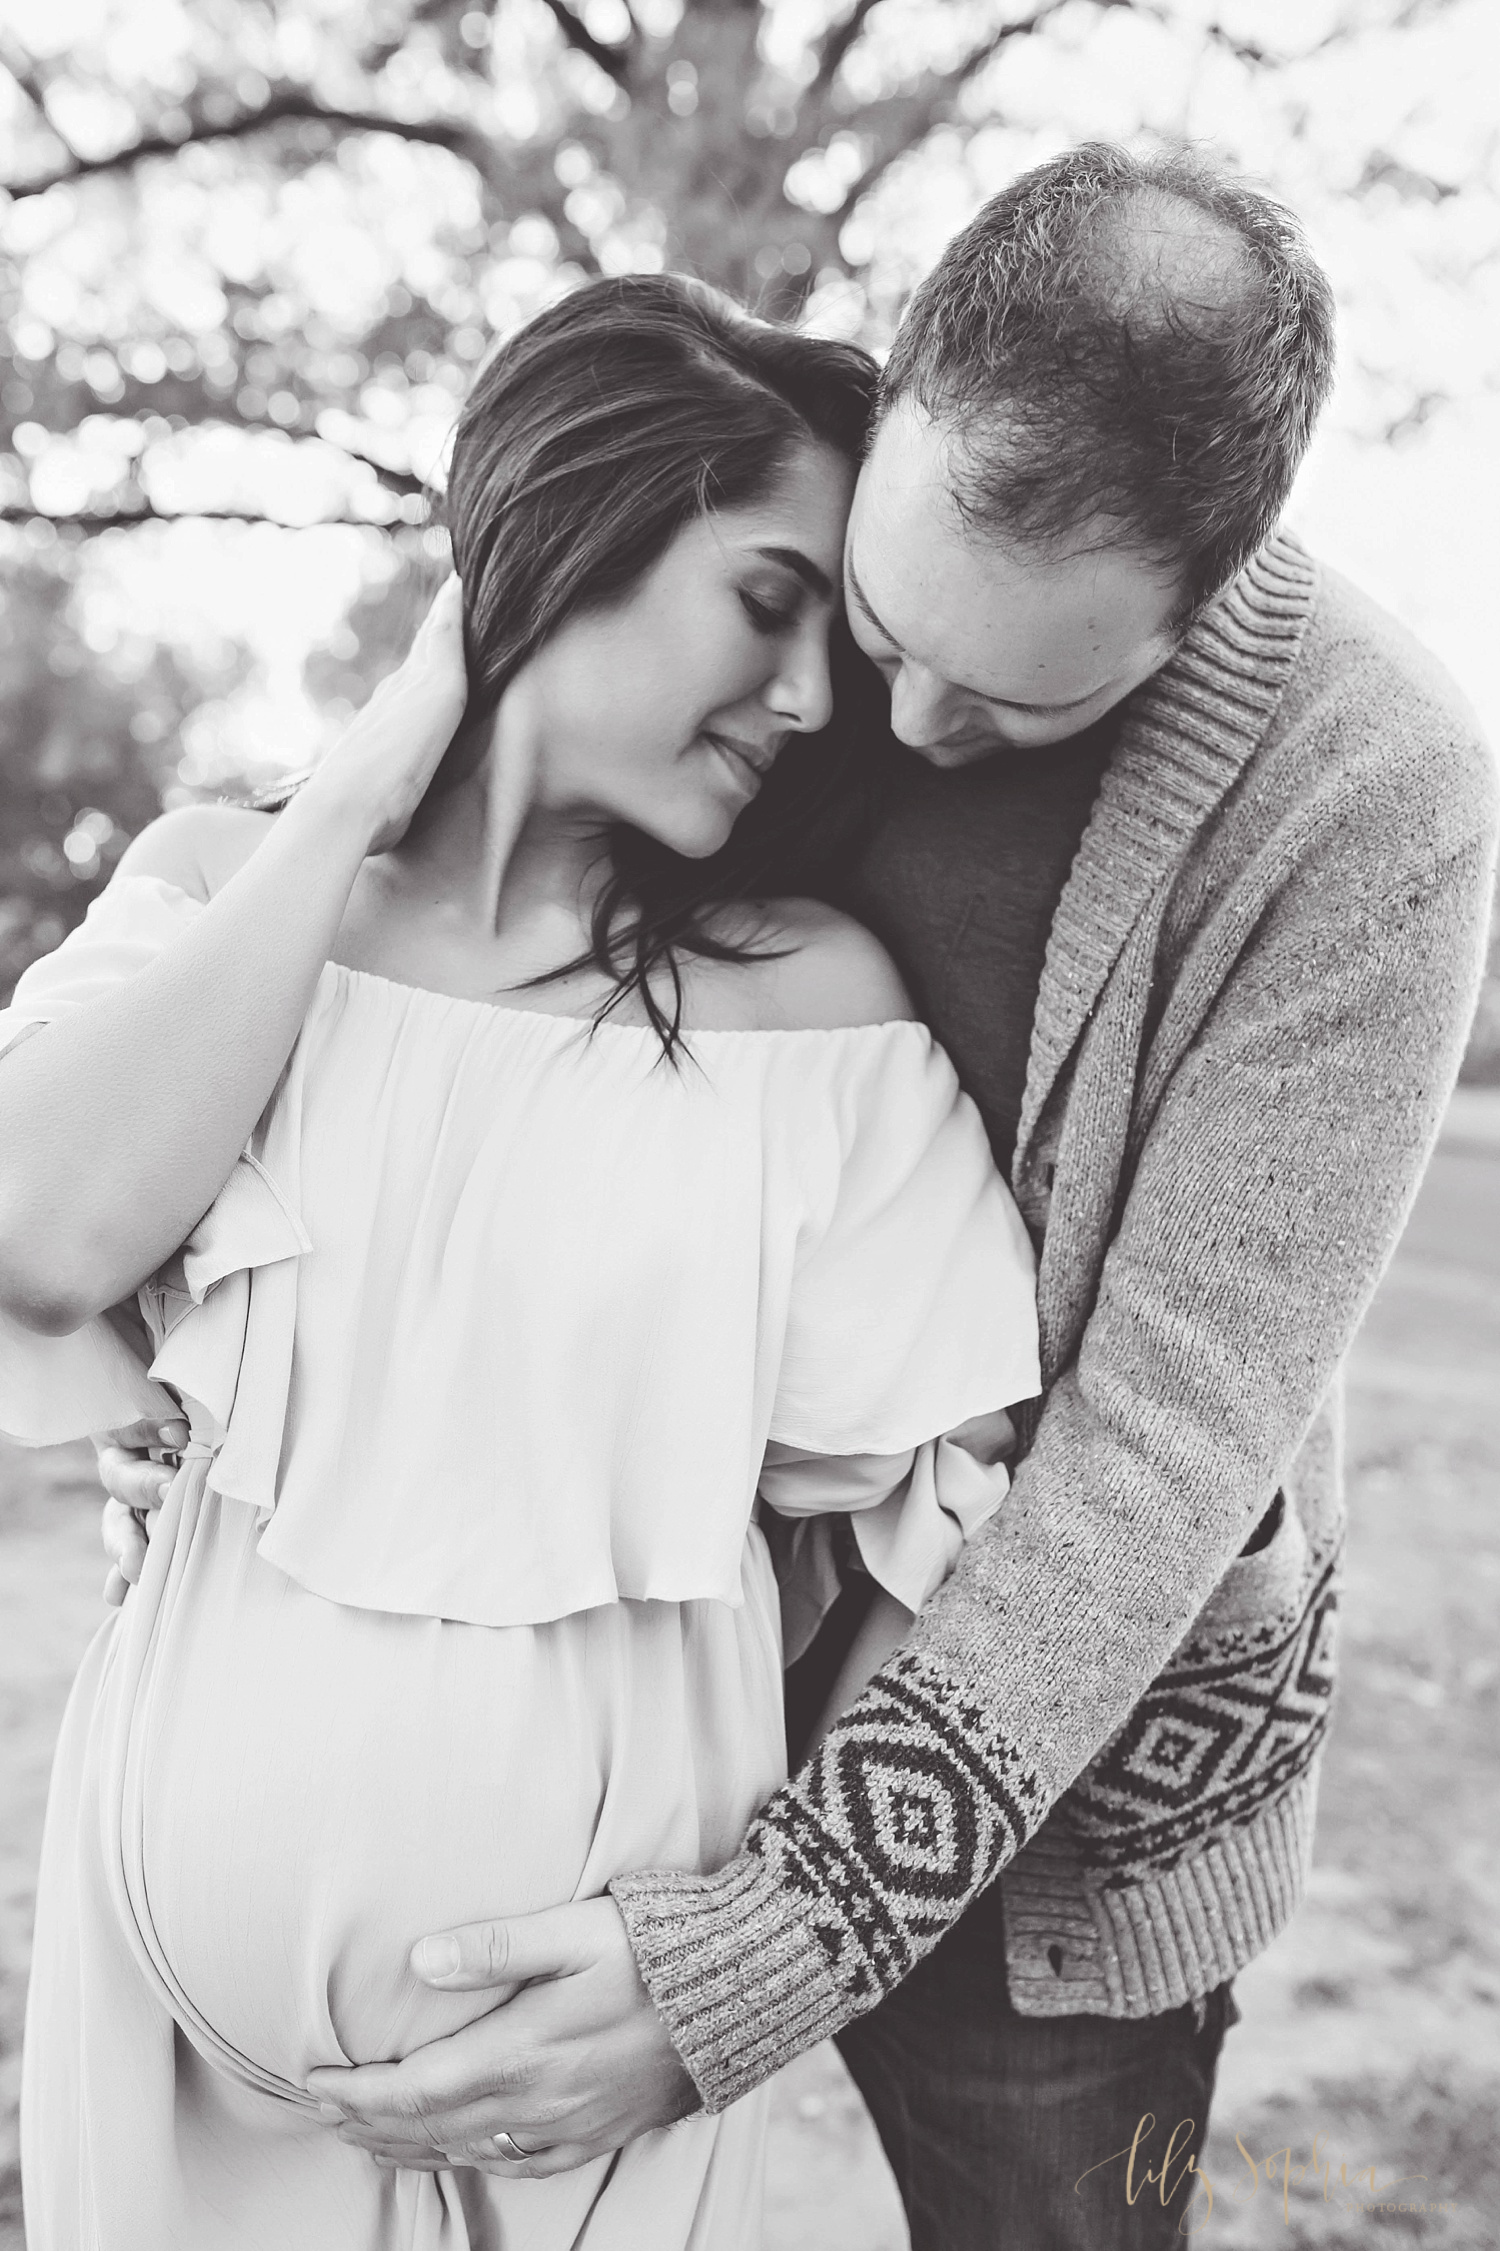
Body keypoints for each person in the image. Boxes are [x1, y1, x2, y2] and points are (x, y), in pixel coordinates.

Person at [99, 143, 1492, 2251]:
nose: (895, 724)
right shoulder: (794, 591)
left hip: (1059, 1790)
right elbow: (510, 985)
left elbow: (1167, 1434)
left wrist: (778, 1934)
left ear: (1216, 581)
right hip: (658, 1661)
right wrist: (260, 1386)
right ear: (904, 395)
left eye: (1021, 701)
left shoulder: (1374, 795)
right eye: (871, 625)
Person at [0, 277, 1043, 2249]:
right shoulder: (231, 898)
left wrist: (747, 1963)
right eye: (768, 597)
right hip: (163, 2087)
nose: (819, 698)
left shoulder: (803, 1017)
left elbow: (970, 1532)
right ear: (571, 526)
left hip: (585, 2110)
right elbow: (43, 1236)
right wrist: (375, 782)